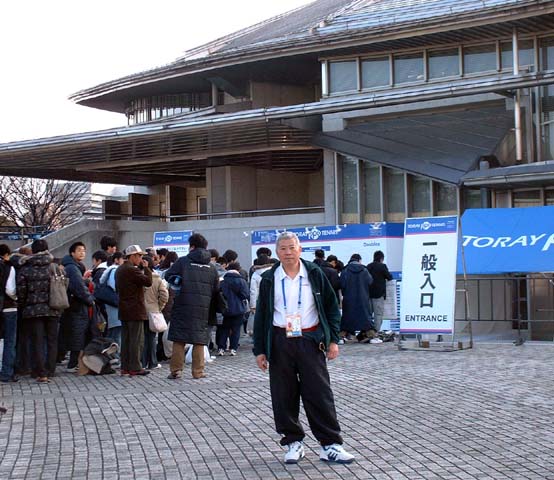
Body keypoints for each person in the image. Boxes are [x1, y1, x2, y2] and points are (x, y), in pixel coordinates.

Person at [253, 232, 355, 465]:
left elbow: (331, 307)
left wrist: (332, 340)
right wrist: (260, 350)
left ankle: (330, 444)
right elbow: (262, 316)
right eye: (283, 249)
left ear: (300, 250)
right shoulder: (269, 278)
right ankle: (293, 442)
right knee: (283, 394)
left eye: (292, 248)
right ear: (276, 252)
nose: (288, 253)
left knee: (319, 393)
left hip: (310, 339)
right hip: (280, 341)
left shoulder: (314, 274)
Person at [165, 233, 220, 380]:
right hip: (203, 307)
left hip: (183, 304)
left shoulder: (182, 262)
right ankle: (198, 372)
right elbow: (216, 289)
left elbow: (168, 276)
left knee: (179, 339)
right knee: (199, 340)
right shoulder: (211, 267)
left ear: (192, 246)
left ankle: (176, 371)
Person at [16, 239, 61, 383]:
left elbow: (21, 290)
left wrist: (23, 304)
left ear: (33, 251)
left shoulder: (26, 268)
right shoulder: (54, 267)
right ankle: (50, 369)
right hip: (53, 308)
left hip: (32, 309)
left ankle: (40, 372)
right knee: (52, 340)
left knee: (37, 341)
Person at [116, 245, 153, 376]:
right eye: (139, 256)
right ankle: (135, 367)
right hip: (135, 309)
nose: (141, 258)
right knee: (136, 340)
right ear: (132, 256)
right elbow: (148, 282)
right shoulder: (132, 270)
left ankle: (125, 366)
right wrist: (147, 268)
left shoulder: (120, 269)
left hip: (124, 309)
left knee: (126, 339)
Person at [60, 242, 96, 370]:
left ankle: (72, 361)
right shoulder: (72, 268)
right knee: (77, 333)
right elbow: (78, 288)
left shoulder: (76, 266)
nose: (82, 253)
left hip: (75, 305)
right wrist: (90, 299)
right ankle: (73, 363)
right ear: (72, 253)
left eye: (84, 250)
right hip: (76, 306)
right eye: (79, 250)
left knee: (76, 333)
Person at [339, 254, 374, 344]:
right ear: (359, 260)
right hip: (363, 298)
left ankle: (342, 335)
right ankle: (370, 334)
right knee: (365, 317)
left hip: (349, 299)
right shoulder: (364, 270)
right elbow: (370, 282)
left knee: (347, 317)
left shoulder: (345, 270)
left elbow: (342, 284)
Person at [217, 261, 249, 356]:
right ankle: (233, 348)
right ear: (238, 270)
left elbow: (217, 293)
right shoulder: (242, 281)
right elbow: (245, 295)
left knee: (224, 329)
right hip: (238, 309)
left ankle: (221, 348)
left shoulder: (222, 281)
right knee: (236, 329)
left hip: (225, 309)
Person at [142, 255, 168, 369]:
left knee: (141, 338)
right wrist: (159, 307)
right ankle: (152, 362)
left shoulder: (139, 277)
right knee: (152, 338)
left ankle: (142, 362)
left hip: (141, 311)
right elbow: (164, 296)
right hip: (153, 311)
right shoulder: (157, 279)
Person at [99, 251, 125, 359]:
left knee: (114, 331)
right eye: (123, 259)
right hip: (114, 305)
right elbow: (115, 287)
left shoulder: (110, 270)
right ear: (116, 260)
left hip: (111, 305)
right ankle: (116, 356)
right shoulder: (115, 271)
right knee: (117, 331)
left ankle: (109, 355)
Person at [0, 244, 18, 382]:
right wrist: (16, 299)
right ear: (7, 254)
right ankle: (6, 373)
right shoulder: (9, 267)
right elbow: (10, 289)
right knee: (9, 341)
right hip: (8, 308)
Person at [367, 250, 393, 333]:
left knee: (369, 314)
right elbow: (389, 277)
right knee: (378, 314)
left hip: (368, 294)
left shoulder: (368, 266)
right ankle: (375, 332)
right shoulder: (382, 266)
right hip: (378, 295)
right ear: (381, 258)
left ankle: (368, 331)